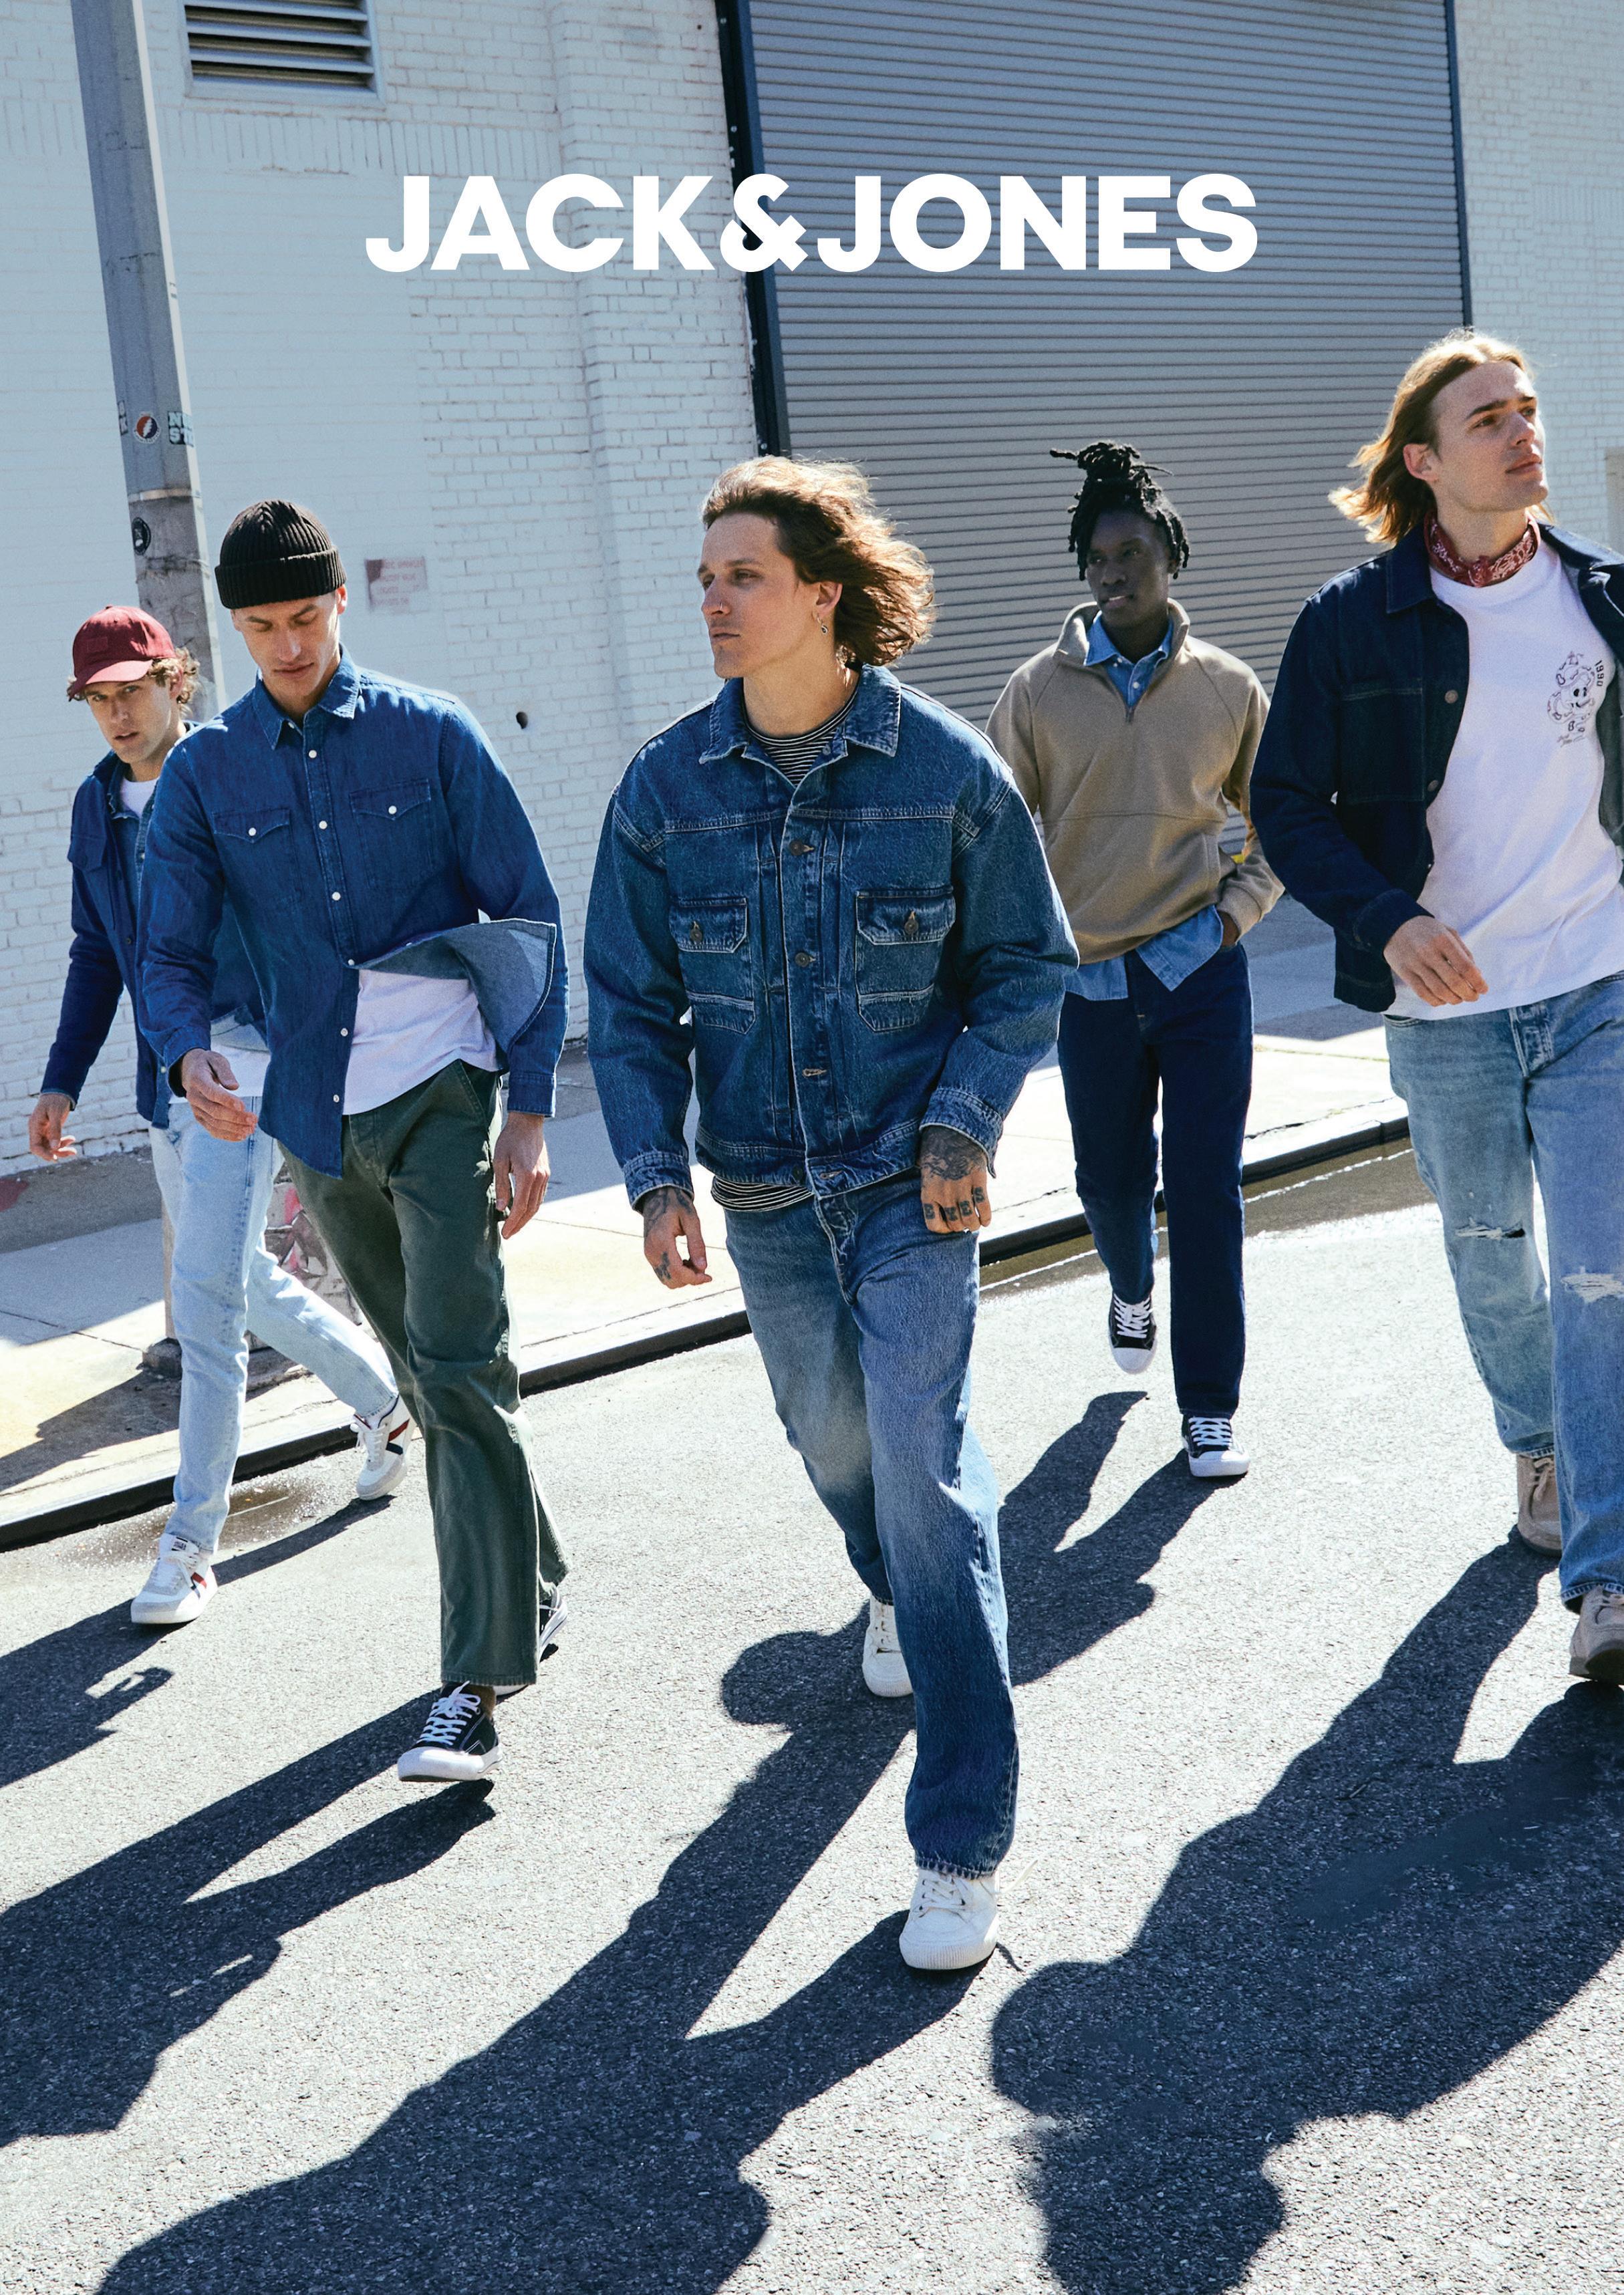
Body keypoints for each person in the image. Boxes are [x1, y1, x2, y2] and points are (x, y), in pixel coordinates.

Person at [585, 457, 1075, 1970]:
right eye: (706, 578)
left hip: (911, 1184)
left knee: (926, 1473)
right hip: (764, 1193)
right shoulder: (666, 789)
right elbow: (628, 1002)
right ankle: (890, 1592)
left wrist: (962, 1119)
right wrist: (654, 1179)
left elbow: (1027, 966)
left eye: (743, 575)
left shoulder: (942, 772)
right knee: (837, 1448)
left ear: (822, 594)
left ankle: (960, 1843)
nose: (715, 601)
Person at [138, 502, 570, 1779]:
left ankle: (473, 1683)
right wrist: (186, 1052)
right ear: (235, 627)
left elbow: (528, 916)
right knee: (432, 1379)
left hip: (443, 1093)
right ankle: (534, 1573)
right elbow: (167, 953)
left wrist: (529, 1108)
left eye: (304, 617)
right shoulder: (207, 774)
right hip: (316, 1119)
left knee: (458, 1362)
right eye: (261, 626)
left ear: (339, 603)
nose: (288, 645)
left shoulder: (432, 732)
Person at [1250, 330, 1624, 1682]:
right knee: (1489, 1254)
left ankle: (1608, 1577)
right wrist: (1389, 920)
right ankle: (1538, 1439)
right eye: (1488, 419)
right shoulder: (1348, 621)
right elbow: (1282, 803)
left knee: (1600, 1272)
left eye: (1528, 410)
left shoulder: (1603, 598)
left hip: (1596, 984)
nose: (1523, 433)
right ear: (1422, 460)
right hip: (1446, 1011)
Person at [33, 606, 406, 1631]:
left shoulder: (232, 777)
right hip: (167, 1078)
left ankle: (190, 1546)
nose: (118, 713)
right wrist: (62, 1079)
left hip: (242, 1066)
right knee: (240, 1279)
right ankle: (384, 1404)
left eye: (133, 690)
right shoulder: (97, 805)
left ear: (175, 682)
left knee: (202, 1306)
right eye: (100, 698)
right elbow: (98, 952)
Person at [990, 444, 1280, 1479]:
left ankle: (1209, 1407)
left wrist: (1227, 921)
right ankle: (1127, 1285)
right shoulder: (1035, 693)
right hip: (1092, 988)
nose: (1112, 573)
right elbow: (995, 838)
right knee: (1111, 1186)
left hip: (1200, 976)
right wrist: (1034, 947)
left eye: (1132, 553)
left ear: (1170, 558)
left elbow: (1277, 825)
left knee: (1205, 1189)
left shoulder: (1227, 687)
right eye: (1098, 557)